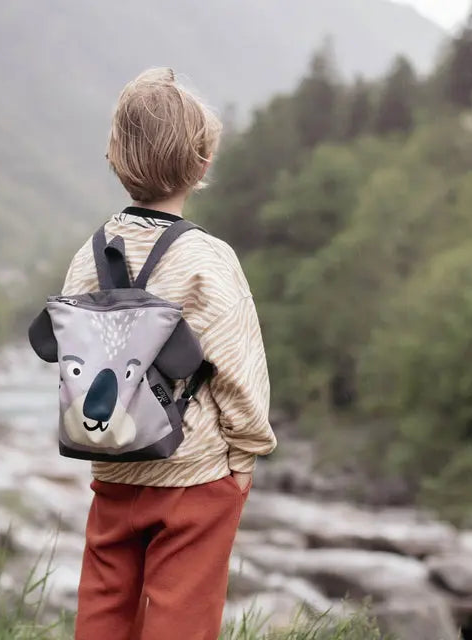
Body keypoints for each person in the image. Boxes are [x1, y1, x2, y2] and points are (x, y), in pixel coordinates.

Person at [62, 67, 277, 640]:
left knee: (104, 612)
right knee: (181, 620)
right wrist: (247, 454)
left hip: (114, 463)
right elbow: (238, 367)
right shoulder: (209, 259)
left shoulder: (89, 254)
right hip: (195, 472)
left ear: (115, 157)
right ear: (203, 162)